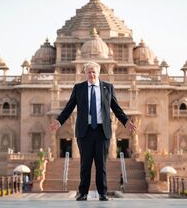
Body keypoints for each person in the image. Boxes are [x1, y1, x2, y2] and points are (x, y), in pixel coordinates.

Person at [50, 61, 136, 201]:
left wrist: (126, 122)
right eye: (89, 72)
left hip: (102, 131)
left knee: (101, 164)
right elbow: (69, 107)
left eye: (94, 71)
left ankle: (103, 193)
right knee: (85, 164)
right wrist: (59, 121)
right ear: (85, 73)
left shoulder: (107, 87)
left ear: (98, 73)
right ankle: (83, 193)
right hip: (85, 131)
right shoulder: (79, 88)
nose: (92, 74)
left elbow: (116, 107)